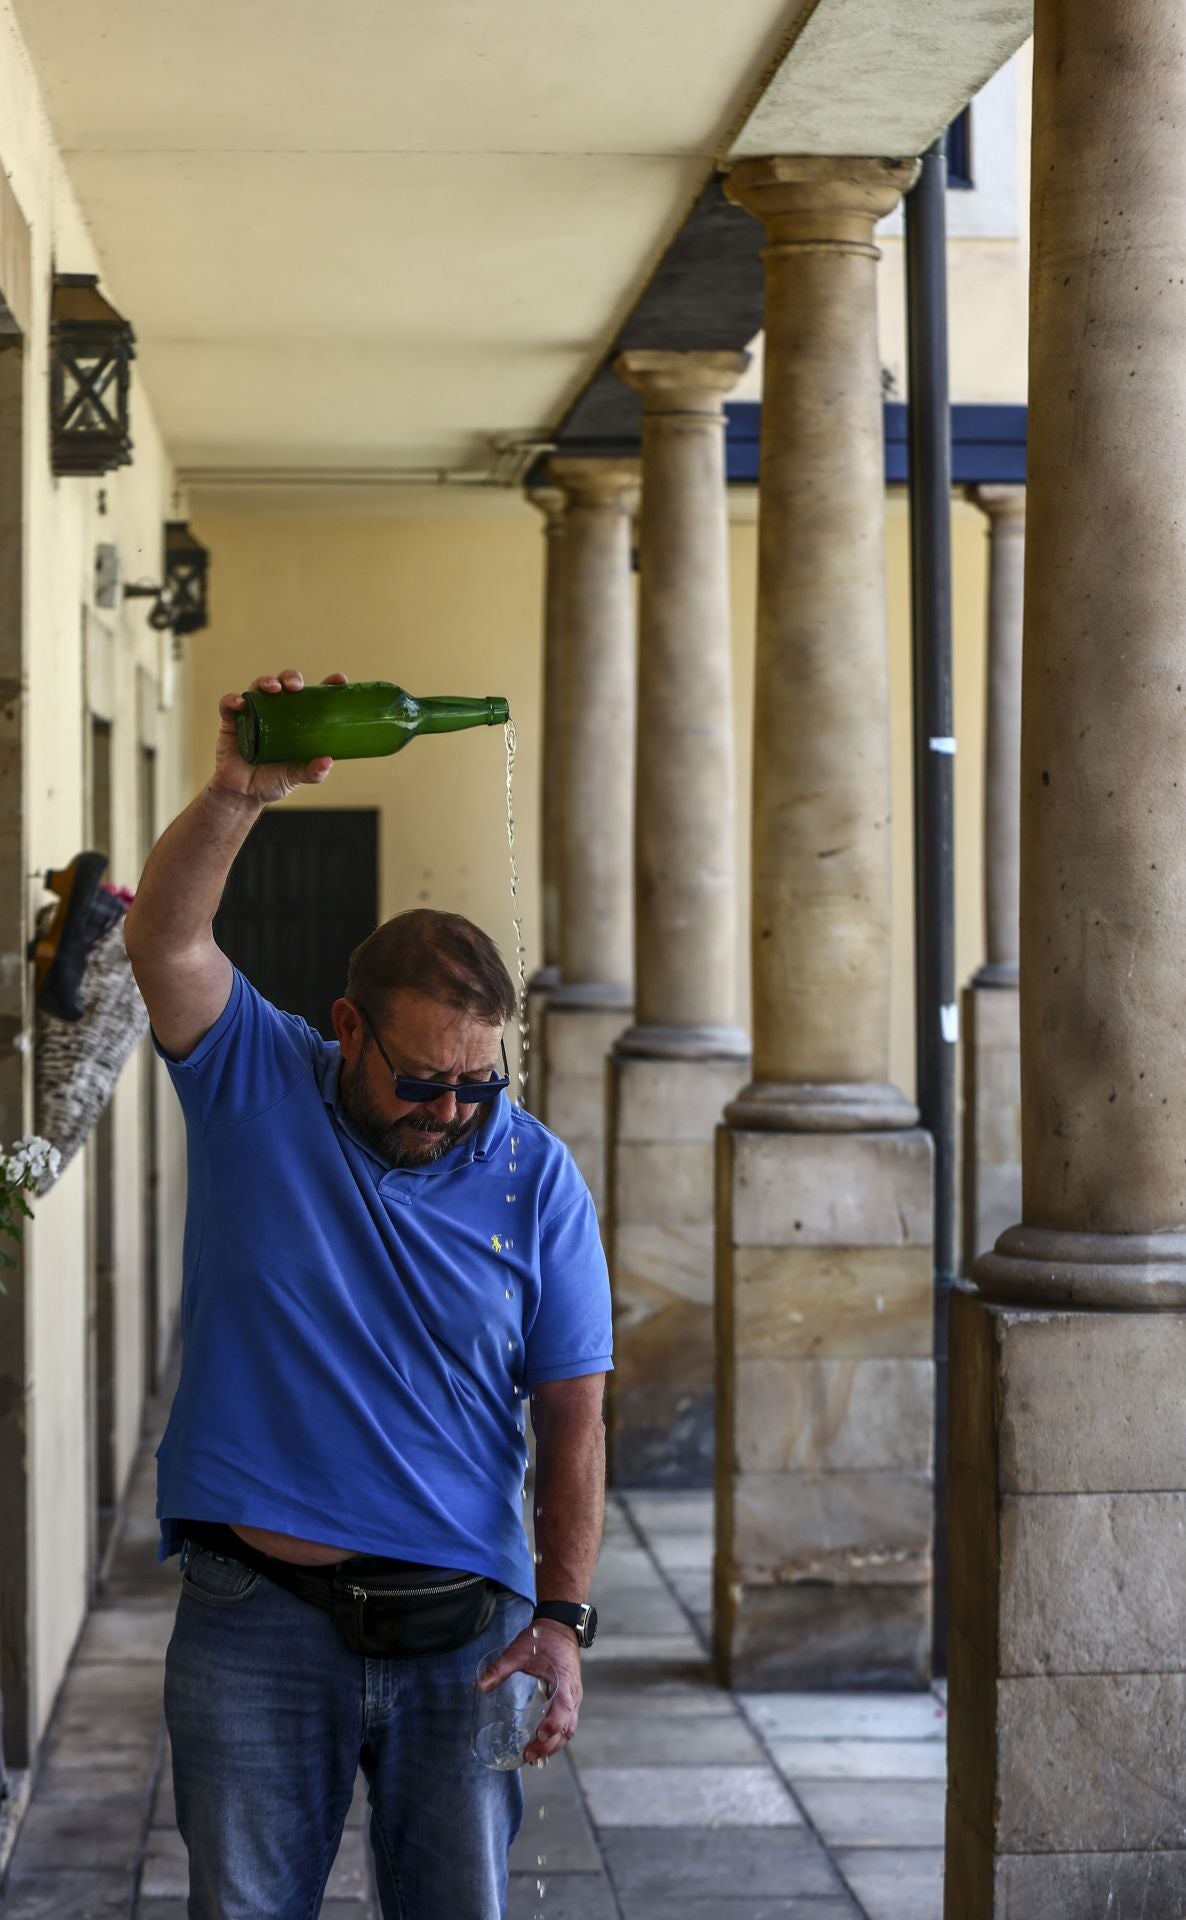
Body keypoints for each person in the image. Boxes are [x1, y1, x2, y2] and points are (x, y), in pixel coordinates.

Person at [125, 668, 612, 1920]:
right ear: (345, 1026)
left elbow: (572, 1413)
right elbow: (165, 940)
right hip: (255, 1623)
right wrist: (240, 794)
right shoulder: (255, 1082)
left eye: (477, 1084)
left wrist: (560, 1618)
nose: (450, 1112)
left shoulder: (534, 1174)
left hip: (466, 1636)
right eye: (421, 1080)